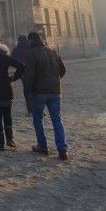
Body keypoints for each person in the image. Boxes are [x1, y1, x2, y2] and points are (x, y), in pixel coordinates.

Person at [22, 30, 69, 160]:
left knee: (37, 119)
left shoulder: (31, 53)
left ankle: (42, 146)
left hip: (39, 92)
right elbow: (63, 69)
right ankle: (62, 149)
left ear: (30, 41)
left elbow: (29, 75)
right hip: (55, 91)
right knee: (57, 119)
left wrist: (28, 91)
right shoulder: (52, 51)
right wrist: (55, 79)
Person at [11, 34, 32, 114]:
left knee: (27, 91)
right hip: (33, 71)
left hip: (23, 72)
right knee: (35, 90)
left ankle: (30, 110)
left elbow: (12, 59)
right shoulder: (31, 48)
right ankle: (39, 109)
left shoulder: (16, 49)